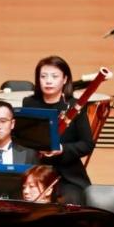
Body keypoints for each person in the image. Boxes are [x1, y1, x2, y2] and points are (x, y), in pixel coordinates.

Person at [22, 56, 94, 205]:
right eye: (43, 76)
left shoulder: (75, 106)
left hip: (67, 175)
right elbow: (23, 138)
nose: (48, 81)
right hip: (35, 170)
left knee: (69, 202)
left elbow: (87, 144)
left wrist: (62, 149)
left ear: (65, 79)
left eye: (54, 76)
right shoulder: (29, 103)